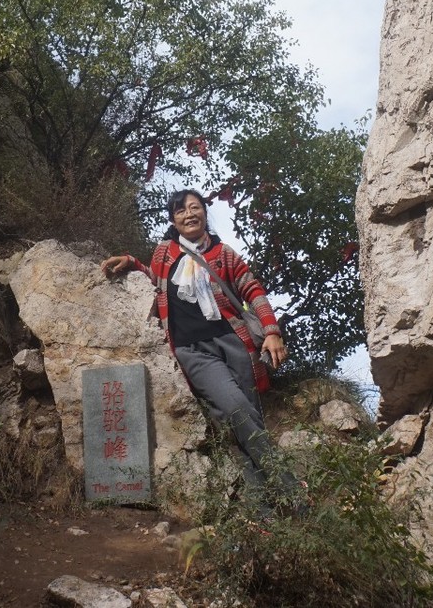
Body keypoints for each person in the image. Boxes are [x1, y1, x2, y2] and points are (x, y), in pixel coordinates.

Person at [101, 188, 300, 516]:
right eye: (181, 211)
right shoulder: (165, 252)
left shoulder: (224, 253)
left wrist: (272, 331)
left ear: (205, 214)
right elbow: (159, 285)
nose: (189, 214)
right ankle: (289, 488)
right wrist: (134, 263)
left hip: (234, 344)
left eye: (195, 208)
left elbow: (253, 289)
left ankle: (265, 514)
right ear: (173, 219)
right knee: (236, 408)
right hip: (192, 350)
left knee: (239, 421)